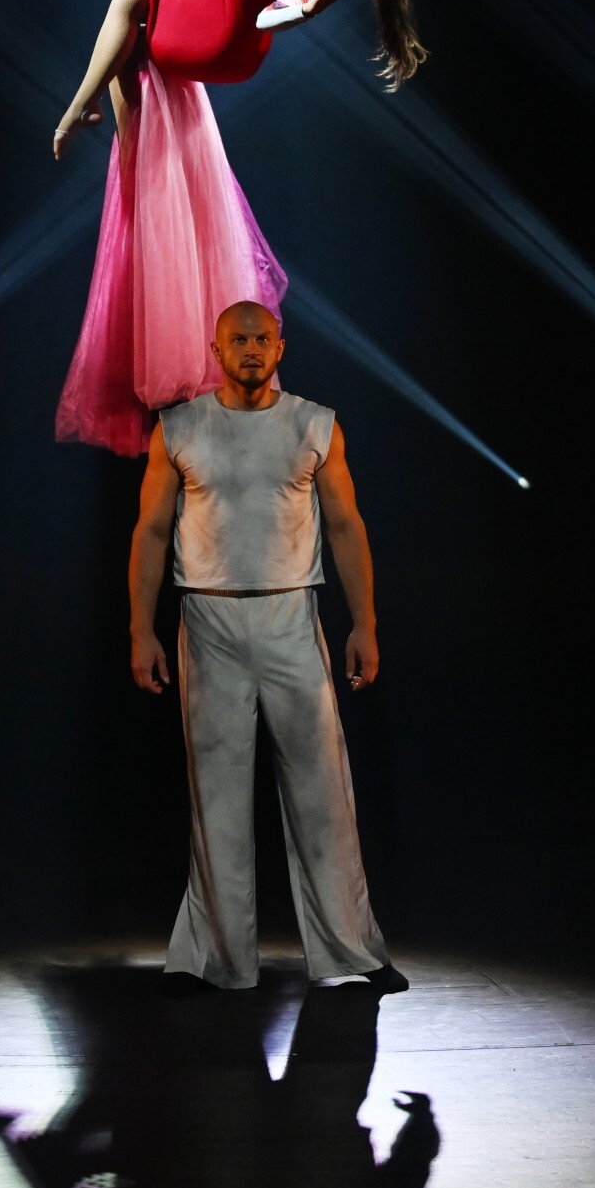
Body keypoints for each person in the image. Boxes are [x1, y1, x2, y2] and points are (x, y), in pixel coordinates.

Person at [50, 0, 419, 456]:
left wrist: (303, 14)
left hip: (221, 25)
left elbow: (273, 13)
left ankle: (75, 112)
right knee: (138, 103)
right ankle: (120, 167)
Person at [128, 300, 403, 995]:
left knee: (322, 790)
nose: (250, 347)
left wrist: (364, 624)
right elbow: (151, 531)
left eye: (261, 338)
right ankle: (217, 959)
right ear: (216, 350)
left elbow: (345, 526)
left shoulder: (314, 424)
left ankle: (352, 949)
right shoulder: (180, 427)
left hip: (291, 613)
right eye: (237, 338)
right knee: (217, 796)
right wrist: (141, 629)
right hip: (209, 618)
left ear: (279, 348)